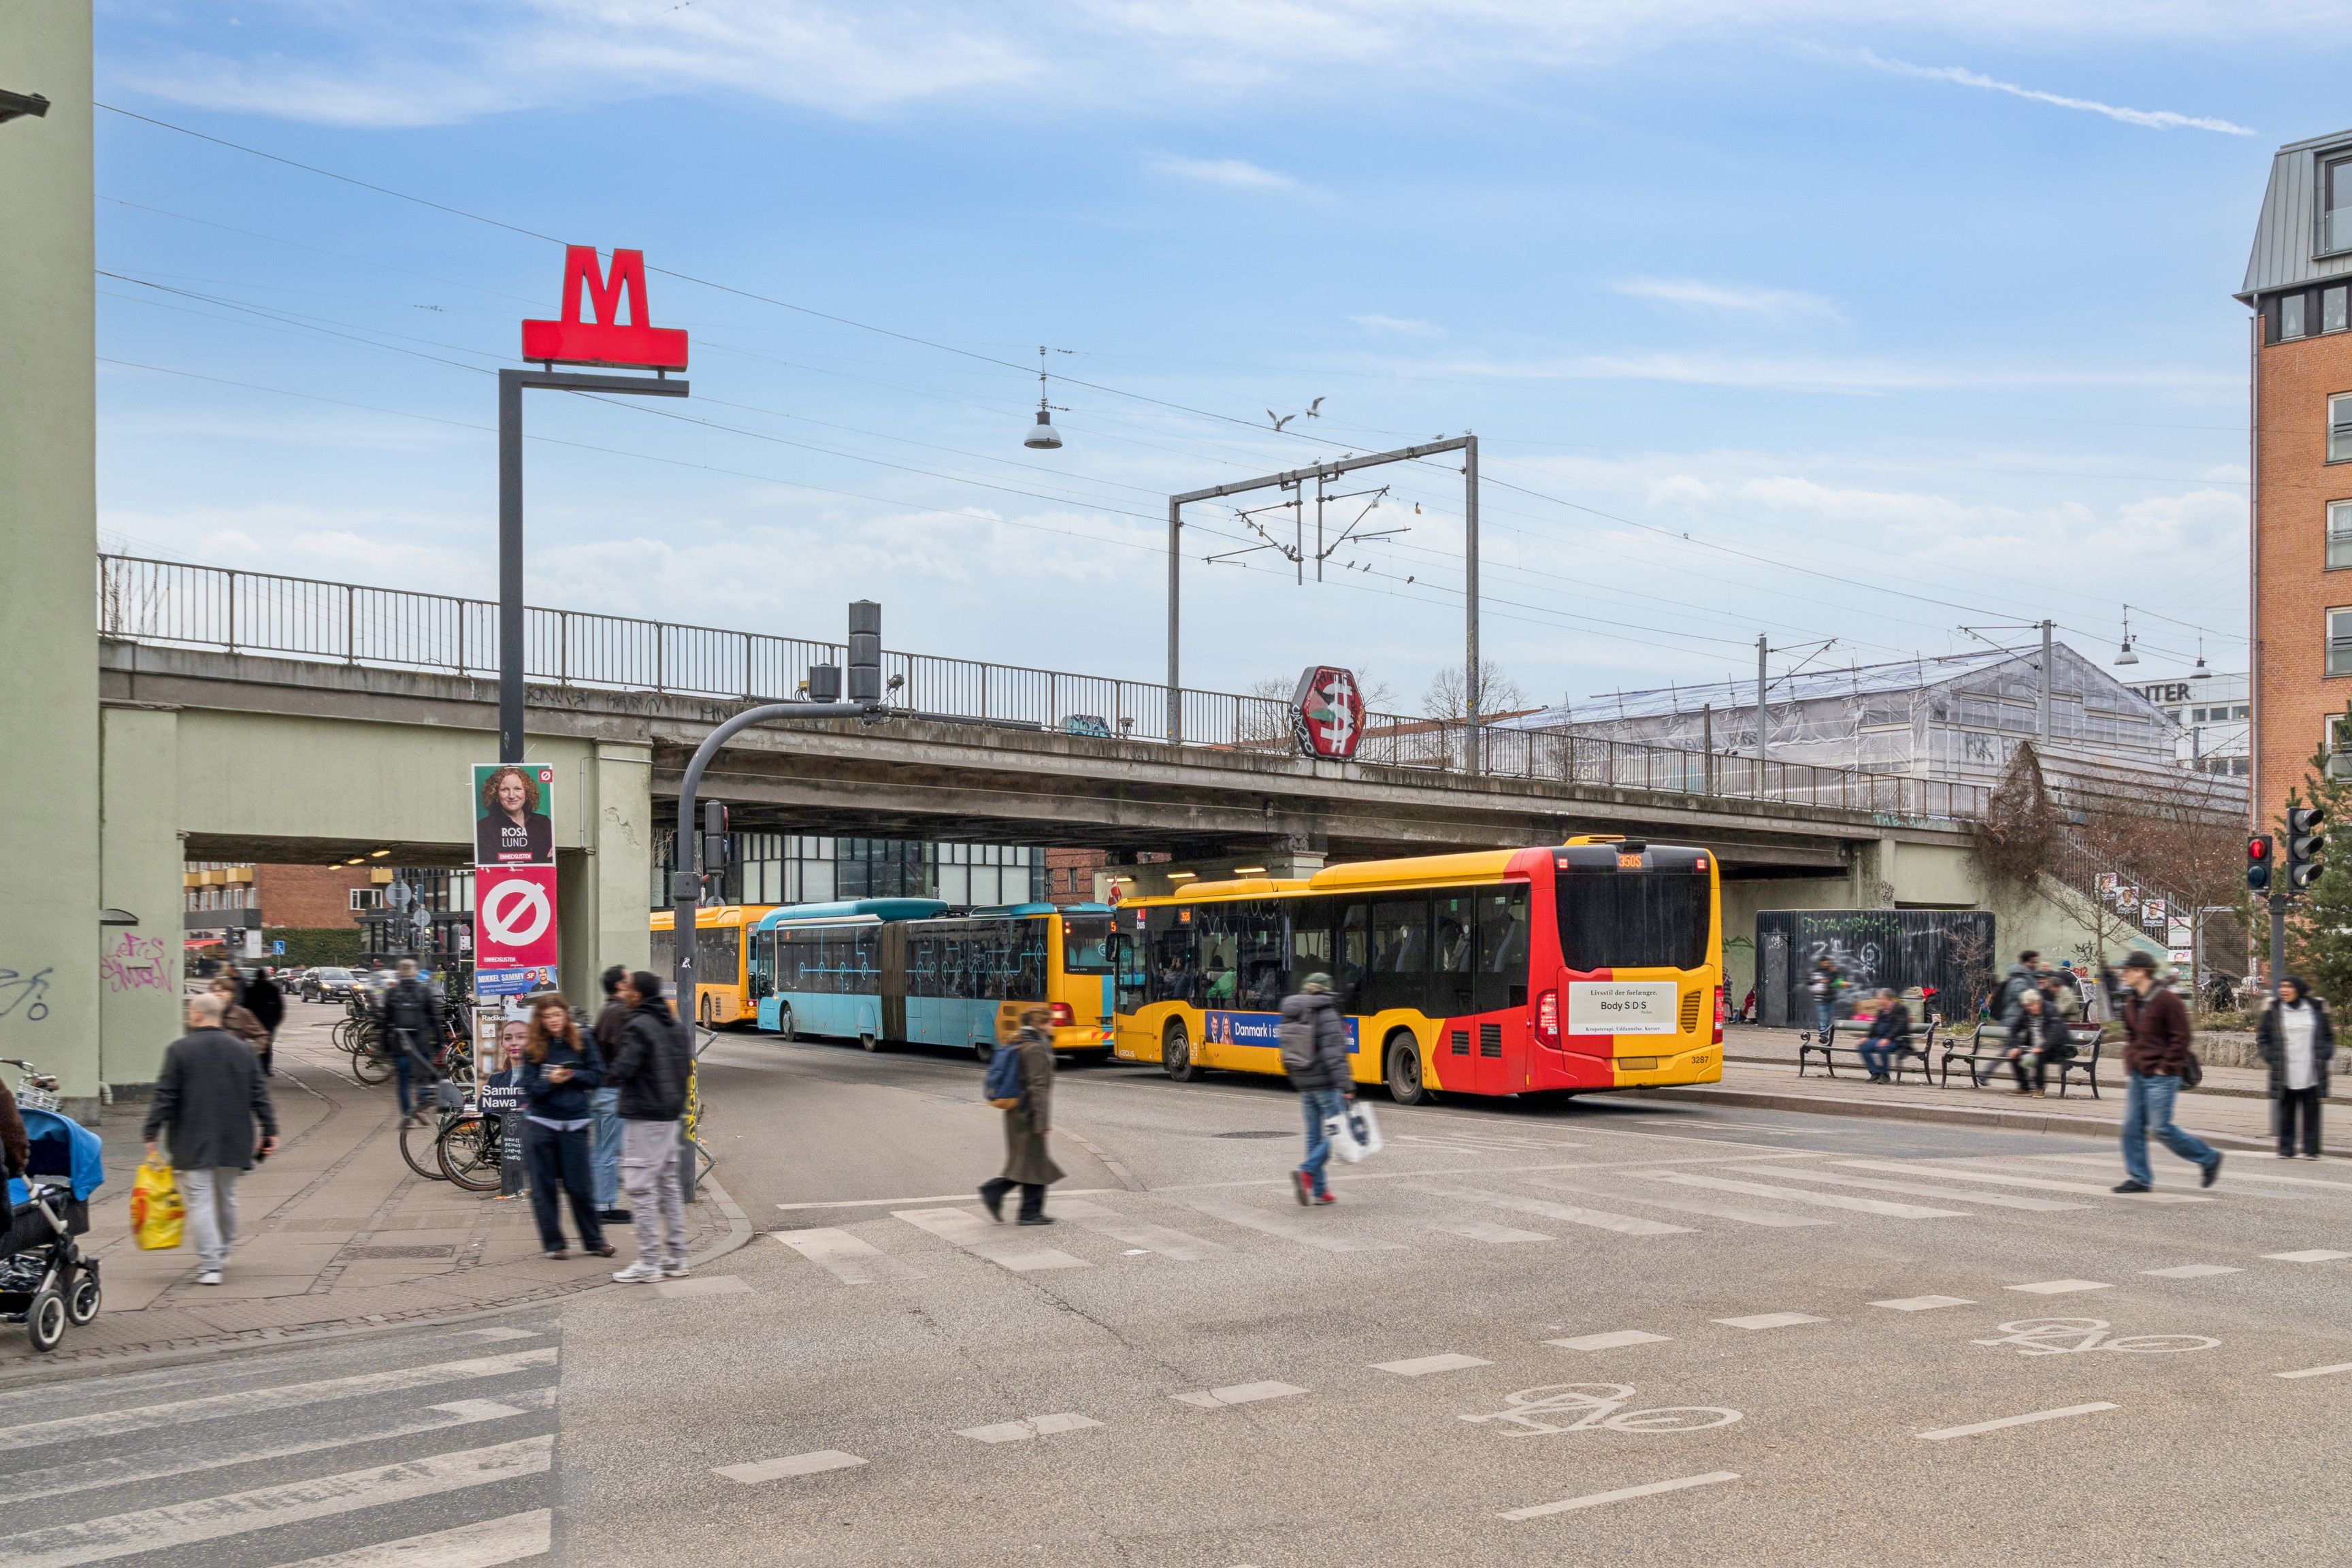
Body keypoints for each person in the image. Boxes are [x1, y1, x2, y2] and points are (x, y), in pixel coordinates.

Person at [143, 992, 279, 1286]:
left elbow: (166, 1095)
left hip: (192, 1138)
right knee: (227, 1197)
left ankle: (210, 1264)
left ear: (197, 1016)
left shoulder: (180, 1050)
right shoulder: (243, 1051)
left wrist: (151, 1131)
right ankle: (225, 1248)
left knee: (201, 1202)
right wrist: (270, 1131)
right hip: (234, 1137)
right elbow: (259, 1095)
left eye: (190, 1012)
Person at [606, 971, 693, 1282]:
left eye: (628, 988)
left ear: (638, 994)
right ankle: (676, 1255)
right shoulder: (675, 1026)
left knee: (640, 1186)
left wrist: (609, 1071)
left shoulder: (639, 1025)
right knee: (668, 1184)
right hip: (670, 1114)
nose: (623, 991)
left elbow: (624, 1068)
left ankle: (649, 1261)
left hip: (645, 1114)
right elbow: (685, 1069)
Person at [2114, 950, 2222, 1194]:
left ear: (2141, 972)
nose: (2124, 975)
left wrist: (2166, 1066)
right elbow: (2131, 1035)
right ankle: (2140, 1178)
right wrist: (2132, 1061)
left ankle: (2208, 1158)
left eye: (2127, 971)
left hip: (2163, 1075)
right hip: (2139, 1074)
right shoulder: (2131, 1002)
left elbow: (2182, 1037)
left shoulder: (2167, 1000)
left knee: (2161, 1128)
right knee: (2132, 1127)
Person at [519, 992, 612, 1259]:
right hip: (541, 1123)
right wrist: (550, 1081)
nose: (553, 1021)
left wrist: (570, 1076)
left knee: (580, 1186)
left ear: (566, 1016)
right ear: (540, 1019)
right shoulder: (533, 1047)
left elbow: (597, 1076)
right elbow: (529, 1089)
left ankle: (595, 1241)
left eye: (558, 1015)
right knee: (543, 1188)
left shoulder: (582, 1040)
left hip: (575, 1123)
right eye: (547, 1017)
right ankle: (554, 1244)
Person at [979, 1004, 1062, 1225]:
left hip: (1019, 1113)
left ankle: (1012, 1202)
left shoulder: (1021, 1042)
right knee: (1034, 1165)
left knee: (1029, 1164)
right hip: (1028, 1114)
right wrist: (1042, 1122)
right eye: (1050, 1021)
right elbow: (1038, 1086)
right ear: (1041, 1024)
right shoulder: (1034, 1048)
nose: (1052, 1025)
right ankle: (1025, 1210)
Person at [1281, 972, 1353, 1205]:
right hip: (1326, 1084)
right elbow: (1335, 1054)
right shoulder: (1327, 1012)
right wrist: (1346, 1085)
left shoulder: (1295, 1010)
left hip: (1304, 1083)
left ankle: (1319, 1191)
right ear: (1326, 989)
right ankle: (1307, 1171)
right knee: (1340, 1132)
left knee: (1314, 1137)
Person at [2256, 976, 2334, 1160]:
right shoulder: (2273, 1010)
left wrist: (2325, 1054)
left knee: (2312, 1112)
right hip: (2285, 1070)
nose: (2283, 990)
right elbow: (2263, 1037)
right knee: (2286, 1112)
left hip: (2311, 1069)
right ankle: (2286, 1149)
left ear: (2298, 989)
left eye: (2288, 987)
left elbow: (2328, 1036)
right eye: (2281, 986)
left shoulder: (2316, 1008)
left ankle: (2311, 1150)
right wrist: (2271, 1057)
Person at [589, 964, 632, 1226]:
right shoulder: (620, 1013)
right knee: (609, 1151)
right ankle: (604, 1206)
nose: (632, 984)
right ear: (619, 985)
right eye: (628, 980)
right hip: (612, 1091)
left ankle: (603, 1202)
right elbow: (621, 1053)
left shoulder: (607, 1010)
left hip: (602, 1090)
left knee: (603, 1149)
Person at [380, 960, 440, 1128]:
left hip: (401, 1045)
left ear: (399, 973)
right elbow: (435, 1018)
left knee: (404, 1081)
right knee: (423, 1078)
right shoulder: (424, 991)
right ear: (415, 973)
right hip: (421, 1043)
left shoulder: (392, 993)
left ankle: (407, 1115)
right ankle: (421, 1108)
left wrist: (385, 1044)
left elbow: (386, 1021)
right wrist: (439, 1040)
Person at [475, 764, 554, 864]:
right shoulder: (485, 827)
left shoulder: (543, 823)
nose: (512, 796)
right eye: (505, 790)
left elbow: (550, 862)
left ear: (527, 793)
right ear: (496, 795)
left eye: (518, 789)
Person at [2004, 989, 2072, 1097]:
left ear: (2038, 1002)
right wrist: (2015, 1046)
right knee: (2014, 1055)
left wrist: (2043, 1047)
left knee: (2040, 1055)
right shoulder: (2027, 1013)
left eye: (2032, 1005)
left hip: (2055, 1048)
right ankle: (2024, 1086)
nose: (2030, 1009)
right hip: (2034, 1046)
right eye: (2028, 1007)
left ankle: (2039, 1088)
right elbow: (2014, 1029)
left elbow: (2055, 1031)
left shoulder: (2050, 1009)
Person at [1856, 987, 1910, 1083]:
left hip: (1897, 1040)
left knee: (1883, 1048)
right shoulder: (1882, 1011)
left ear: (1887, 999)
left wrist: (1888, 1038)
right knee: (1863, 1046)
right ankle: (1875, 1072)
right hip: (1881, 1038)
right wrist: (1867, 1037)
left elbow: (1900, 1026)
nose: (1878, 1001)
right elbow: (1875, 1025)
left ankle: (1885, 1075)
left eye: (1880, 998)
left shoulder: (1900, 1009)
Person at [210, 974, 270, 1059]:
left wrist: (249, 1052)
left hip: (233, 1065)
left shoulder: (241, 1014)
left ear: (232, 994)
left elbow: (262, 1036)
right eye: (215, 991)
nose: (218, 994)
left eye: (222, 991)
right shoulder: (206, 1012)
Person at [244, 966, 284, 1076]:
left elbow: (246, 1006)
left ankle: (255, 1067)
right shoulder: (272, 989)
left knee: (254, 1045)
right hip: (269, 1021)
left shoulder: (251, 989)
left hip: (254, 1021)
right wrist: (276, 1021)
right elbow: (280, 1008)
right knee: (267, 1045)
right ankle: (267, 1068)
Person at [1807, 959, 1842, 1041]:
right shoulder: (1817, 972)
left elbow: (1835, 981)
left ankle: (1824, 1034)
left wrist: (1834, 973)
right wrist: (1820, 981)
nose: (1826, 964)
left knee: (1828, 1018)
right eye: (1824, 962)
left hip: (1830, 998)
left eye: (1827, 962)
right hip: (1820, 999)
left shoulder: (1831, 972)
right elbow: (1809, 981)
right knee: (1823, 1018)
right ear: (1821, 963)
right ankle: (1824, 1036)